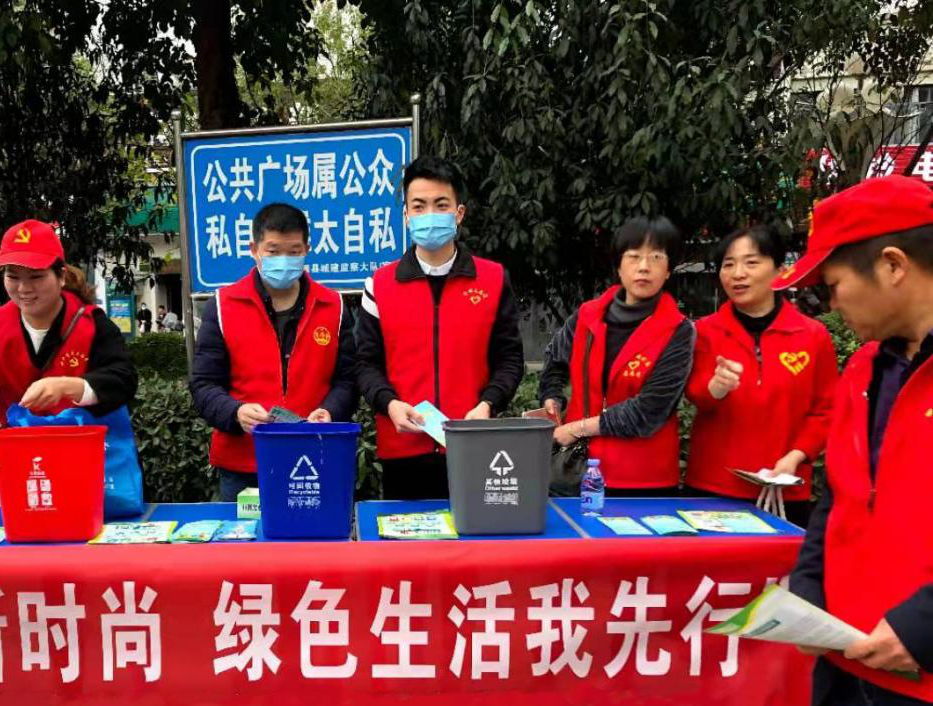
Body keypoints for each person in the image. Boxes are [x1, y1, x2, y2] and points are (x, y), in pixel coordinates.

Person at [783, 174, 933, 706]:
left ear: (893, 266)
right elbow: (836, 500)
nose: (828, 304)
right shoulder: (864, 369)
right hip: (853, 678)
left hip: (923, 687)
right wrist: (805, 596)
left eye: (833, 285)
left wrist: (920, 626)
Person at [356, 156, 525, 500]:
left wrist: (488, 405)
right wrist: (389, 404)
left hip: (473, 445)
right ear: (406, 214)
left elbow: (509, 359)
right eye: (419, 206)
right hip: (403, 449)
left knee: (475, 535)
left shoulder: (492, 279)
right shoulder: (380, 285)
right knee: (406, 536)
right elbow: (365, 364)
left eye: (441, 204)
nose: (429, 214)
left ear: (459, 213)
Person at [0, 219, 138, 464]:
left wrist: (70, 386)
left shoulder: (91, 324)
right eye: (13, 277)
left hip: (90, 461)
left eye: (36, 276)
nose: (24, 288)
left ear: (61, 276)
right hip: (23, 462)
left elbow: (124, 378)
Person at [189, 202, 358, 501]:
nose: (284, 260)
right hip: (244, 464)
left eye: (293, 252)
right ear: (254, 249)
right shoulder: (223, 306)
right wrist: (235, 412)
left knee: (315, 532)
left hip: (315, 456)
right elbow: (203, 384)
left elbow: (348, 379)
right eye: (273, 251)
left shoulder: (333, 306)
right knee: (247, 534)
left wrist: (331, 411)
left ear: (307, 249)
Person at [683, 225, 837, 525]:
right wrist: (715, 387)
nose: (738, 274)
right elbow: (694, 394)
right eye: (728, 264)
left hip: (784, 489)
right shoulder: (704, 332)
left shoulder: (812, 335)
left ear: (780, 269)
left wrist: (797, 455)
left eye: (751, 263)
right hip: (713, 487)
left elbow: (826, 410)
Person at [538, 216, 695, 496]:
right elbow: (555, 361)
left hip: (643, 480)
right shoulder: (586, 316)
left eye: (656, 257)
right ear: (619, 266)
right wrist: (551, 397)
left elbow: (648, 411)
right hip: (576, 472)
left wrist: (576, 428)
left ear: (669, 270)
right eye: (633, 256)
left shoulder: (679, 331)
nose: (644, 266)